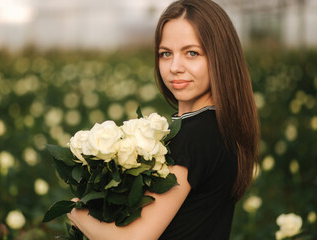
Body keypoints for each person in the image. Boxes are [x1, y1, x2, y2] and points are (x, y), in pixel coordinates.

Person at [67, 0, 260, 239]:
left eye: (192, 53)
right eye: (166, 54)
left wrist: (75, 210)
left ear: (220, 57)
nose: (174, 67)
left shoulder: (193, 136)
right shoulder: (221, 125)